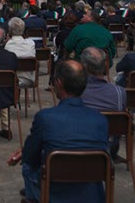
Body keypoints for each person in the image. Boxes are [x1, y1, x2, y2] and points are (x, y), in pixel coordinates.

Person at [8, 60, 110, 203]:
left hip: (54, 190)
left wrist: (26, 152)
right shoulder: (101, 120)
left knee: (27, 166)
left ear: (59, 83)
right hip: (91, 192)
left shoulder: (45, 118)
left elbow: (30, 157)